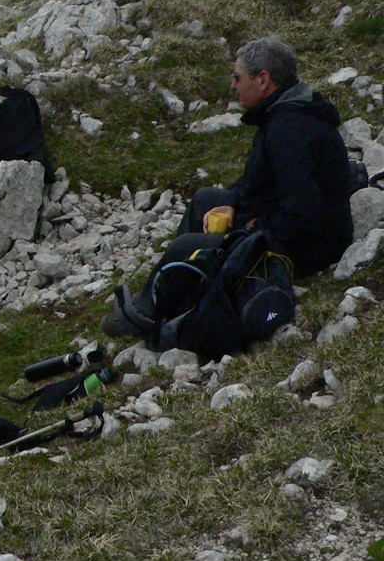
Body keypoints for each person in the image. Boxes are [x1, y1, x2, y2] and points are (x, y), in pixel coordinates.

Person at [105, 36, 353, 340]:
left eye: (238, 77)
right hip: (289, 224)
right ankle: (183, 293)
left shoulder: (290, 131)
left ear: (263, 80)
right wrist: (233, 201)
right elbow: (261, 184)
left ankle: (150, 315)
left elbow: (303, 215)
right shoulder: (283, 113)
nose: (233, 85)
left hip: (310, 247)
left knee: (186, 246)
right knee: (206, 200)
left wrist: (253, 230)